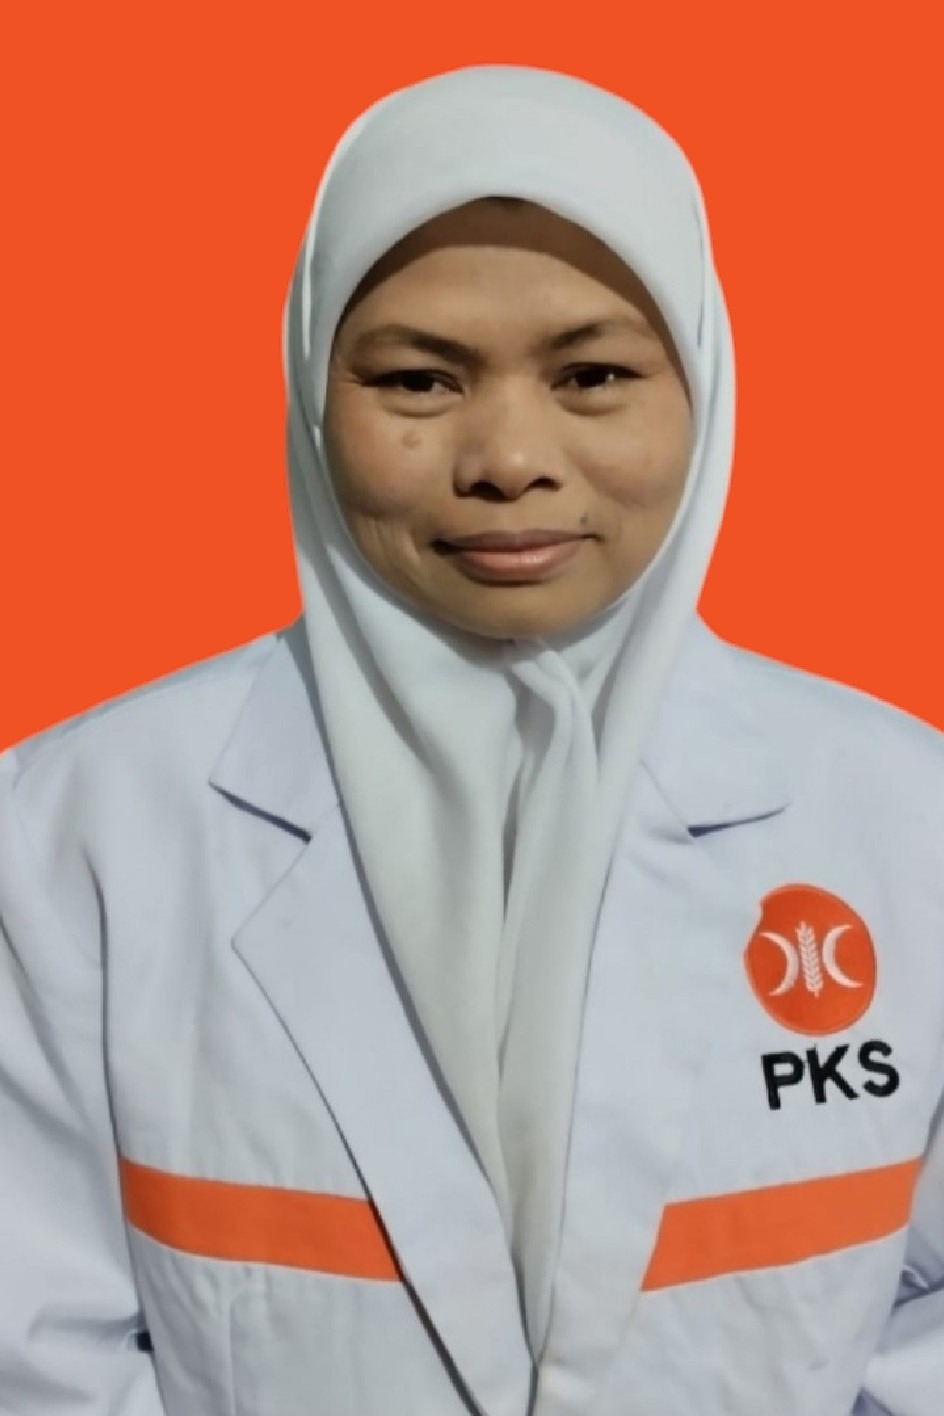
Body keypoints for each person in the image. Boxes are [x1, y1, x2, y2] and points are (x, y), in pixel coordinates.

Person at [0, 62, 941, 1416]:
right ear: (311, 389)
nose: (507, 457)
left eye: (594, 374)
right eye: (419, 379)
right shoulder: (70, 833)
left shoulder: (908, 819)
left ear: (704, 381)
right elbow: (32, 1358)